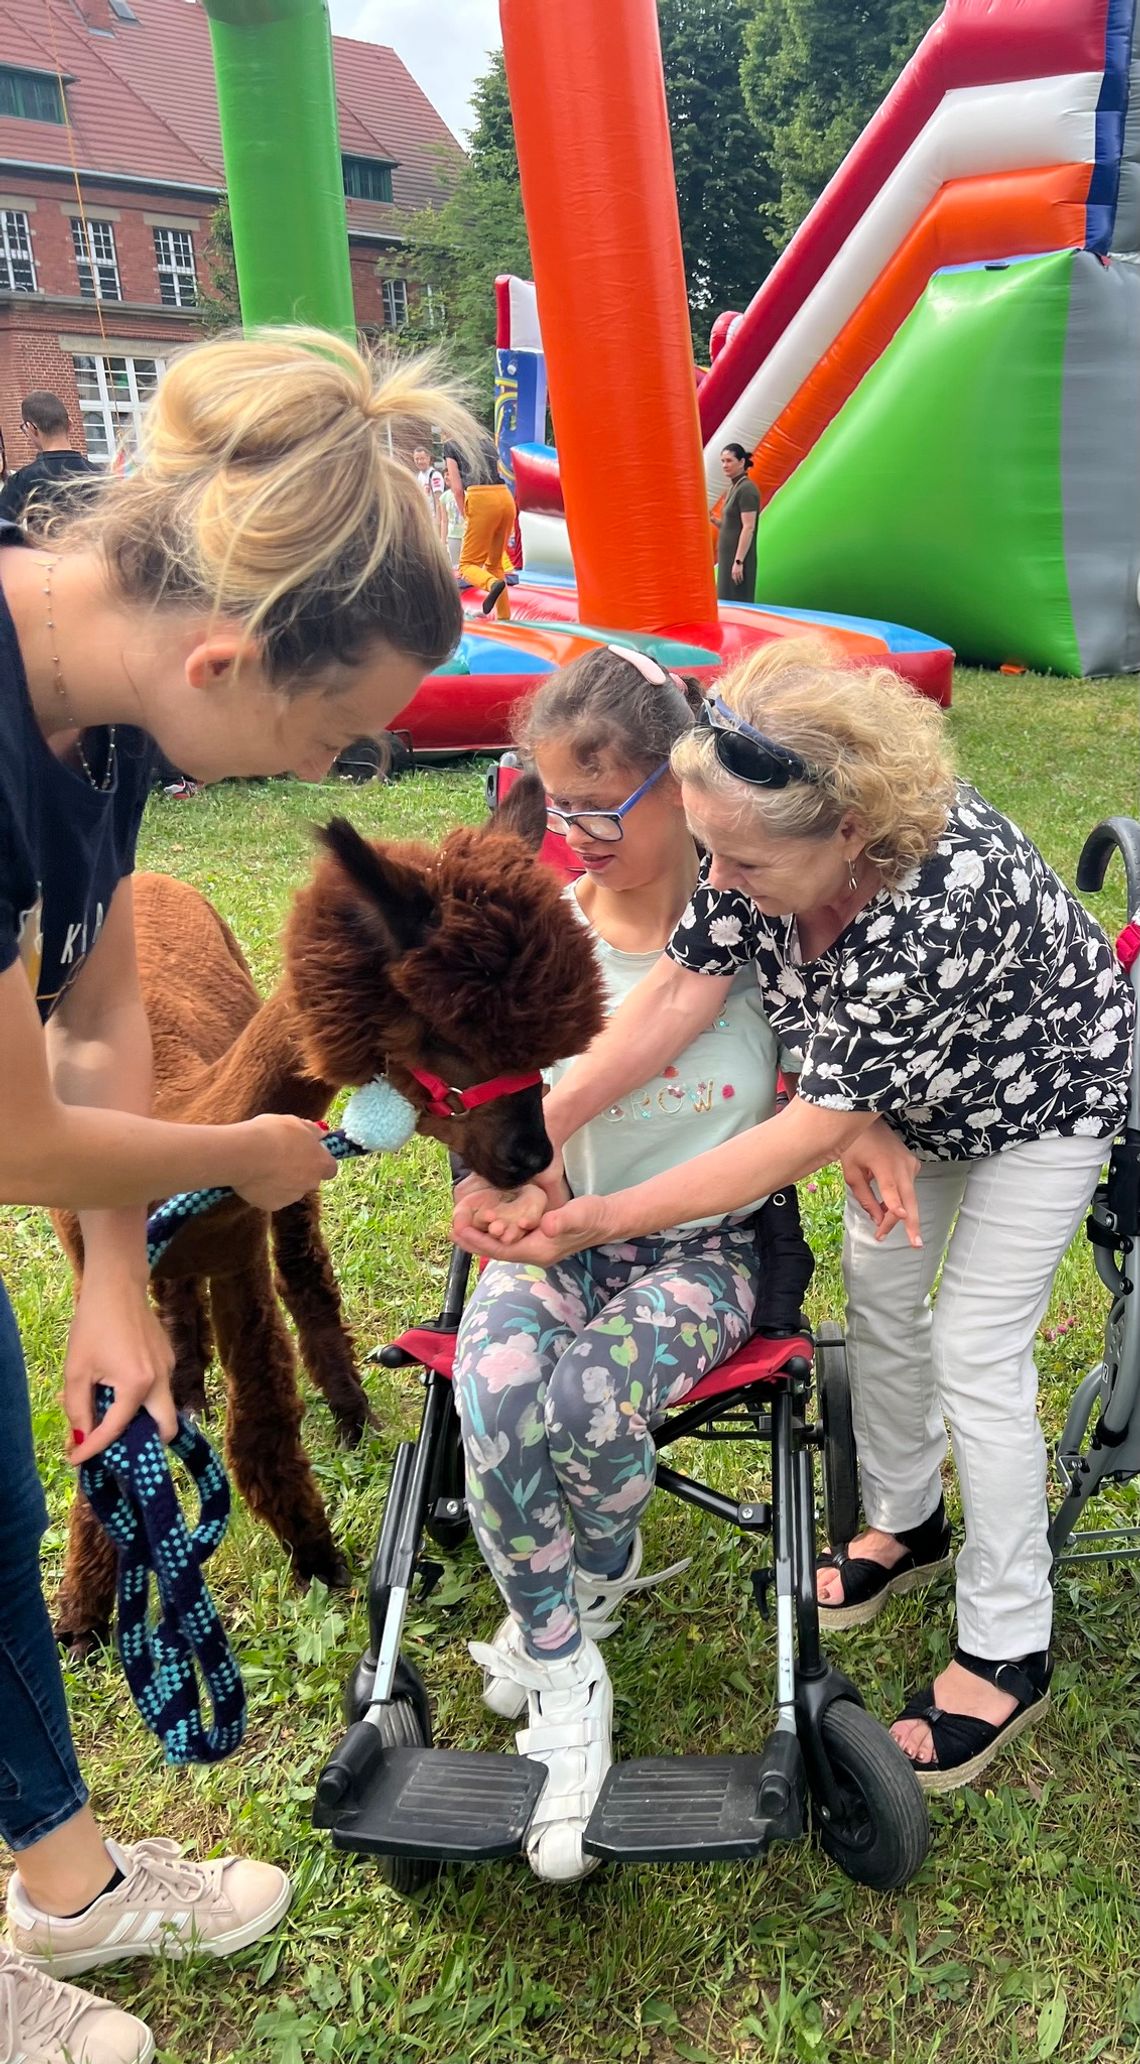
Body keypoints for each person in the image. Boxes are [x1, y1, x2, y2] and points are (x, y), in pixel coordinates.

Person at [0, 325, 478, 2063]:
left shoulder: (108, 722)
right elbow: (12, 1136)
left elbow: (104, 1010)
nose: (319, 775)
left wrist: (116, 1280)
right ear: (226, 653)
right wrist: (243, 1159)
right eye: (334, 732)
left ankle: (66, 1881)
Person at [454, 637, 1134, 1796]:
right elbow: (678, 990)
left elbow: (804, 1131)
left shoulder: (935, 900)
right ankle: (907, 1528)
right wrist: (537, 1137)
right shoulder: (753, 832)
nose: (719, 878)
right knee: (880, 1307)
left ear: (851, 833)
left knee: (975, 1346)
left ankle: (1008, 1646)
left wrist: (595, 1217)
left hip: (1041, 1097)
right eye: (710, 847)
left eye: (744, 861)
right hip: (904, 1095)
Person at [453, 643, 810, 1884]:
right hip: (563, 1232)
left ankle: (589, 1574)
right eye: (559, 807)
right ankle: (566, 1675)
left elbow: (800, 1130)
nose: (580, 833)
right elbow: (497, 1120)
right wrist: (494, 1191)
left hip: (703, 1252)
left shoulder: (762, 932)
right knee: (490, 1383)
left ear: (680, 783)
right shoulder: (541, 934)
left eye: (603, 804)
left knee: (585, 1397)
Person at [443, 433, 517, 619]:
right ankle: (504, 618)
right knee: (495, 563)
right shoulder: (486, 441)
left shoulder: (451, 445)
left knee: (467, 565)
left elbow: (457, 488)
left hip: (481, 499)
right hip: (505, 497)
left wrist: (465, 513)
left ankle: (491, 584)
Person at [0, 392, 97, 531]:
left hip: (45, 551)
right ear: (70, 424)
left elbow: (3, 532)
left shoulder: (22, 481)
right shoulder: (101, 475)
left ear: (31, 428)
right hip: (95, 552)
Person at [713, 443, 759, 603]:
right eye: (723, 461)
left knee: (736, 603)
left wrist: (739, 562)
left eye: (729, 461)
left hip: (737, 559)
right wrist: (713, 519)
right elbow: (731, 526)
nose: (725, 465)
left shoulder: (746, 489)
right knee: (725, 603)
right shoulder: (733, 488)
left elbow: (748, 527)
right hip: (728, 559)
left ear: (741, 462)